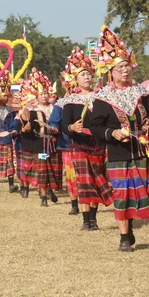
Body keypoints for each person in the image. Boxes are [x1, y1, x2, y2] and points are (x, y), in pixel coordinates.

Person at [90, 25, 149, 252]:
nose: (125, 71)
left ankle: (129, 226)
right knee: (122, 194)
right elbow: (95, 126)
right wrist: (112, 133)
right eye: (120, 68)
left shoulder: (140, 92)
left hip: (142, 150)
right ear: (110, 71)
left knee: (147, 191)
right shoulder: (103, 97)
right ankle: (123, 236)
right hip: (118, 153)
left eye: (127, 66)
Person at [61, 46, 114, 230]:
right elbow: (63, 125)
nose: (87, 77)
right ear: (75, 79)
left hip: (97, 145)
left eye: (89, 74)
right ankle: (85, 220)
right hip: (79, 146)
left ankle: (94, 219)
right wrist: (72, 127)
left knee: (97, 180)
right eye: (82, 74)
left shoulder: (101, 98)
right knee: (84, 182)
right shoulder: (70, 100)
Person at [16, 69, 59, 206]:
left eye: (45, 93)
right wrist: (25, 129)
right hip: (41, 146)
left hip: (54, 145)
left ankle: (51, 190)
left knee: (53, 169)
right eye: (41, 94)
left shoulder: (56, 108)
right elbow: (28, 129)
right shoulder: (33, 111)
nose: (44, 96)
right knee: (43, 169)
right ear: (36, 96)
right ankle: (44, 197)